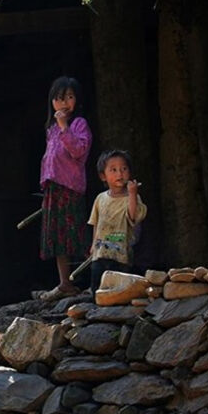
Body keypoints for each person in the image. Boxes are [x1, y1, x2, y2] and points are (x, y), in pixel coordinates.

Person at [38, 76, 93, 301]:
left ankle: (92, 280)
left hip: (70, 188)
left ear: (76, 100)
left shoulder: (79, 125)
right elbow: (48, 159)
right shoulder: (50, 129)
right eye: (59, 98)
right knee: (57, 237)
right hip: (54, 189)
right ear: (52, 102)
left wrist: (64, 128)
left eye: (69, 97)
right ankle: (65, 283)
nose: (63, 103)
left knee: (76, 234)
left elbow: (79, 151)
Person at [88, 149, 147, 293]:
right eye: (113, 170)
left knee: (119, 290)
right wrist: (93, 245)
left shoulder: (132, 198)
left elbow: (133, 217)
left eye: (124, 169)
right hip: (100, 252)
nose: (120, 174)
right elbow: (96, 222)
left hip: (121, 254)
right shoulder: (100, 199)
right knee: (97, 287)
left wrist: (133, 194)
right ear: (103, 176)